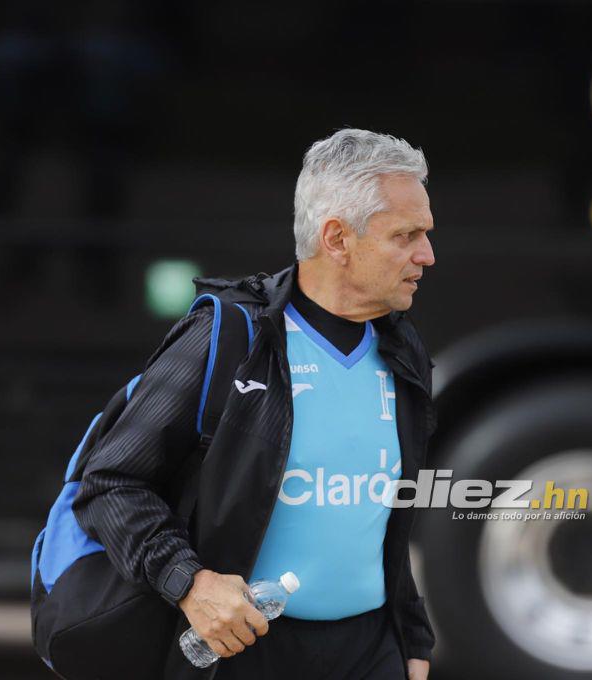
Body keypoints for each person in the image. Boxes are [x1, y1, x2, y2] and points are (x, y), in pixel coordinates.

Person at [73, 128, 437, 679]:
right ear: (337, 239)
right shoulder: (231, 337)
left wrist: (413, 639)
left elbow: (385, 513)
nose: (427, 255)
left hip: (371, 654)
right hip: (246, 655)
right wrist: (190, 582)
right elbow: (109, 484)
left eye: (425, 233)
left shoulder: (401, 346)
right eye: (406, 235)